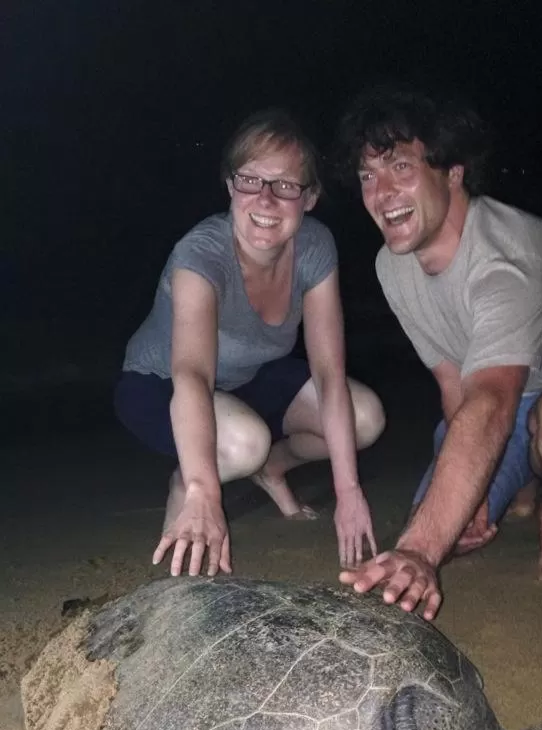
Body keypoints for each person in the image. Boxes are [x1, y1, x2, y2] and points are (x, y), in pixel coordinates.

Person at [334, 84, 542, 620]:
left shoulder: (507, 260)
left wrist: (420, 550)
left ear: (452, 171)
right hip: (507, 392)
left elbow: (491, 399)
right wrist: (470, 496)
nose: (381, 192)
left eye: (401, 167)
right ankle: (525, 475)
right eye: (368, 175)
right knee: (447, 524)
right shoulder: (391, 266)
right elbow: (454, 382)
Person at [115, 109, 385, 577]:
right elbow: (192, 375)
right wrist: (204, 489)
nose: (265, 198)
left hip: (248, 379)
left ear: (310, 197)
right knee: (243, 444)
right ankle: (186, 485)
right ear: (230, 186)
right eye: (250, 180)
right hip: (160, 384)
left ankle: (271, 467)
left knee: (366, 417)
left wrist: (349, 492)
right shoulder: (201, 253)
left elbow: (328, 373)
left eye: (285, 185)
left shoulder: (316, 247)